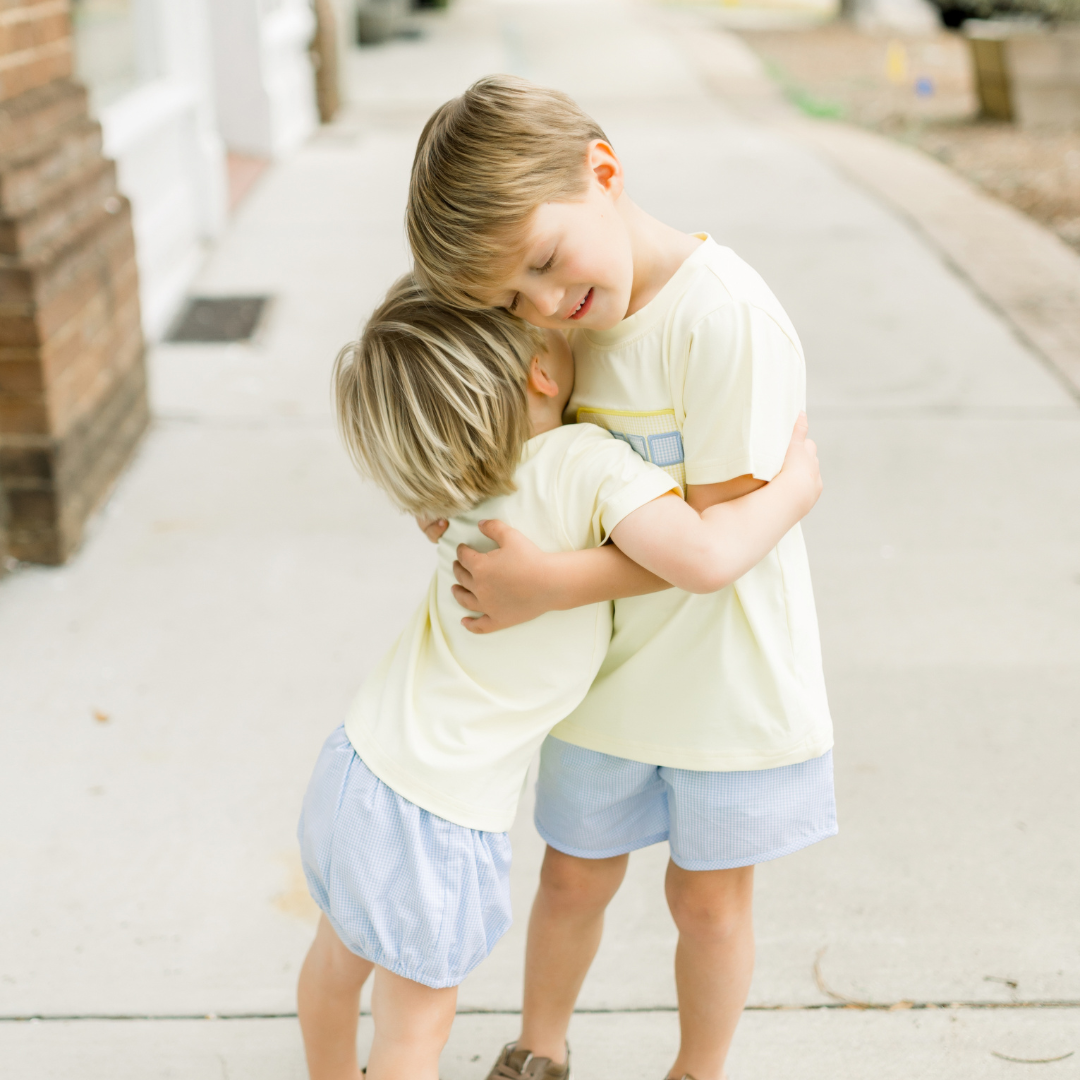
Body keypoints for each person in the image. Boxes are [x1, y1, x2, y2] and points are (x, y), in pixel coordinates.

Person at [406, 76, 838, 1080]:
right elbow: (527, 454)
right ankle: (539, 1045)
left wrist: (546, 584)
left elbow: (719, 549)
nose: (545, 305)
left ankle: (699, 1066)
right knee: (571, 876)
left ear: (603, 171)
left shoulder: (721, 319)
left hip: (725, 672)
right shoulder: (556, 322)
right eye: (513, 296)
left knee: (707, 899)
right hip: (603, 677)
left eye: (547, 266)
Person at [296, 275, 822, 1080]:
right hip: (438, 809)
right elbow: (701, 557)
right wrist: (793, 489)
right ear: (544, 372)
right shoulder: (586, 460)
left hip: (355, 767)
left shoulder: (451, 490)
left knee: (338, 965)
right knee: (414, 1026)